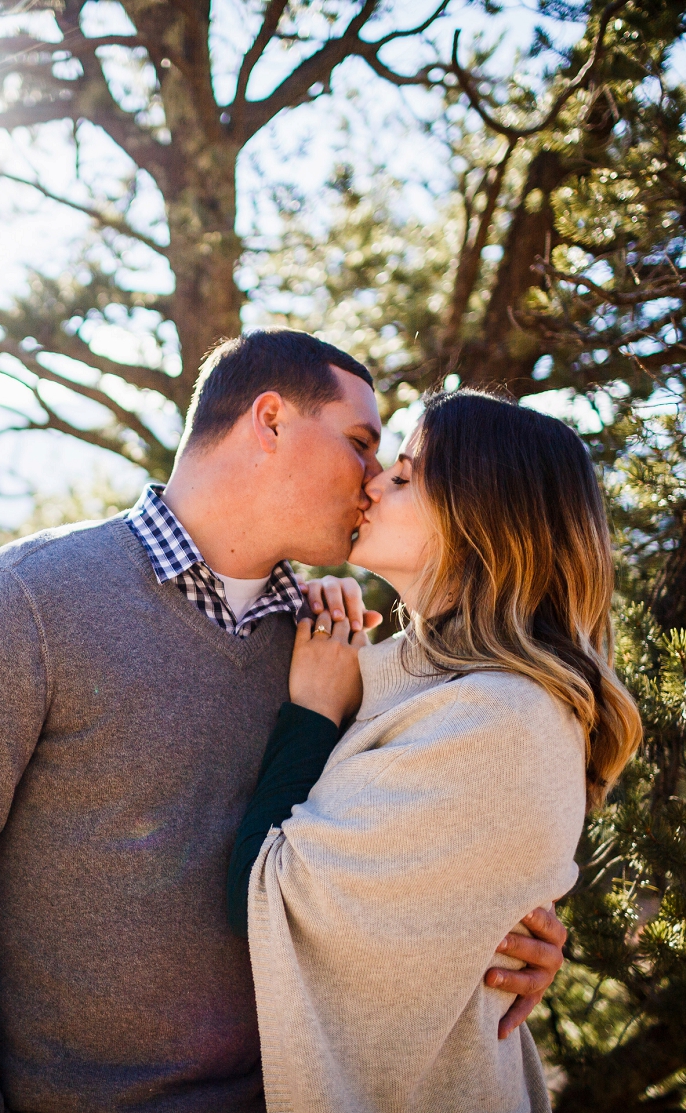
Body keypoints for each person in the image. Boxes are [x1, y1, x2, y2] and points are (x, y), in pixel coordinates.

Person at [0, 331, 569, 1112]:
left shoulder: (334, 650)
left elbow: (407, 857)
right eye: (361, 443)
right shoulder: (27, 604)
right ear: (270, 420)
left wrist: (504, 933)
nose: (372, 478)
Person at [229, 390, 643, 1112]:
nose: (372, 481)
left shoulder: (501, 721)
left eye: (406, 473)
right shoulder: (432, 689)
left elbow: (268, 898)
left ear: (480, 515)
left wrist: (312, 712)